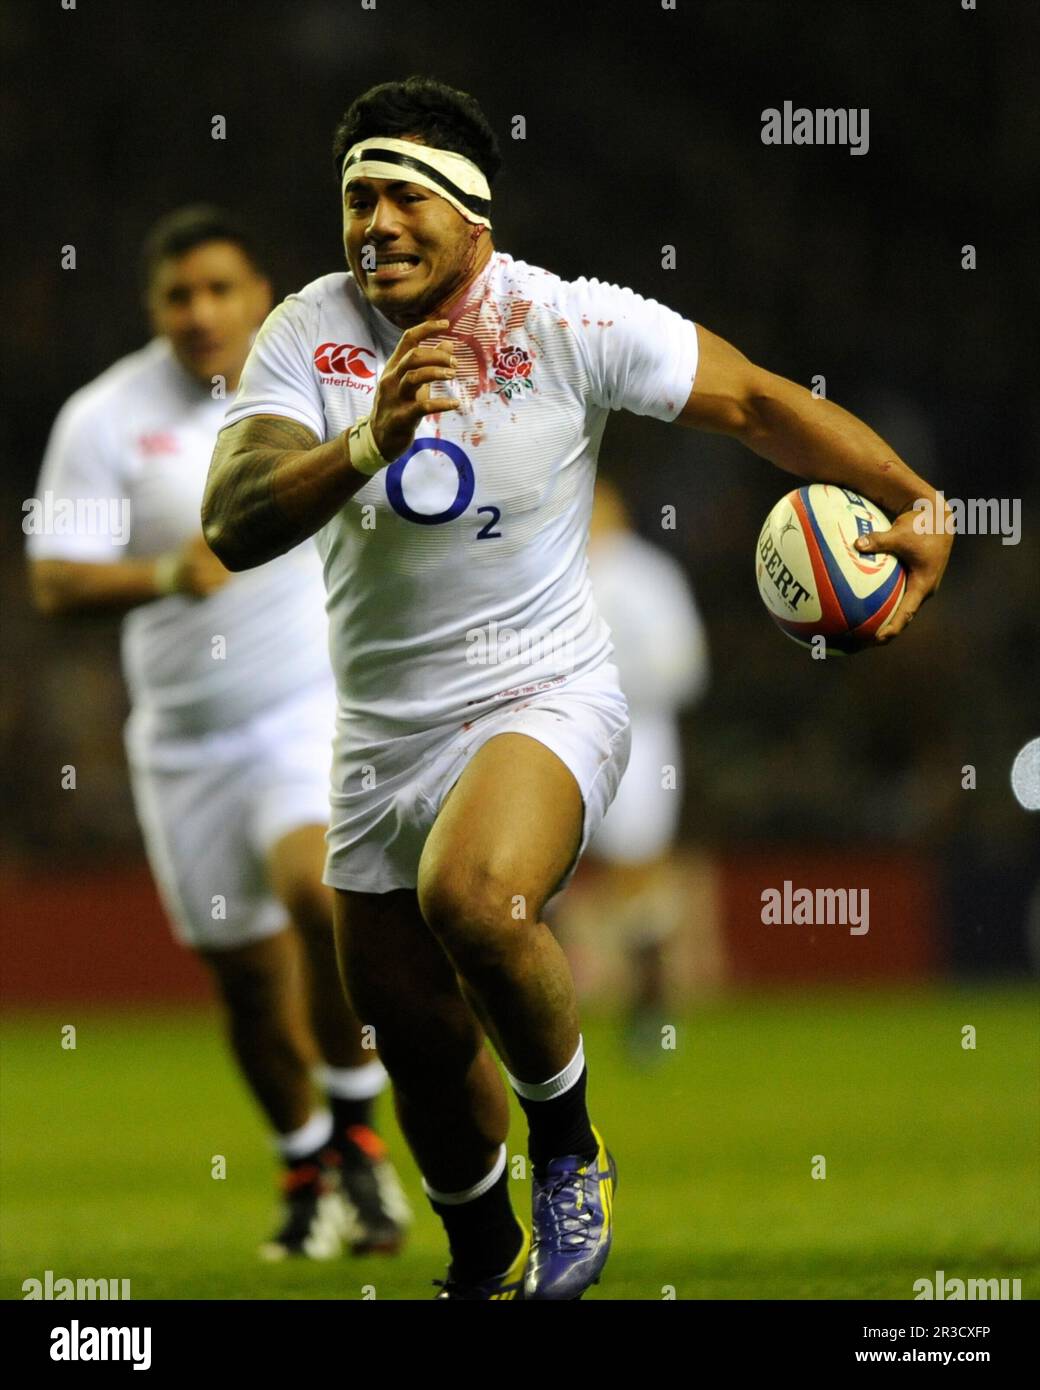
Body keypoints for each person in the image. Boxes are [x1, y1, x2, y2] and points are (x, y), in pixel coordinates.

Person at [202, 76, 953, 1300]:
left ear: (472, 216)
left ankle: (568, 1148)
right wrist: (362, 443)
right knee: (418, 1035)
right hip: (377, 743)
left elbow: (758, 400)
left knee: (475, 895)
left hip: (541, 695)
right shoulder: (306, 333)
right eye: (356, 199)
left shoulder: (565, 323)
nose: (374, 224)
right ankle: (484, 1258)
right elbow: (231, 522)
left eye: (403, 195)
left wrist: (914, 499)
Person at [26, 206, 408, 1263]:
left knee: (317, 899)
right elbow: (53, 578)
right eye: (177, 295)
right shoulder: (104, 418)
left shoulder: (306, 386)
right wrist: (163, 572)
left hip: (303, 708)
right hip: (183, 742)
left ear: (258, 293)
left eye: (219, 290)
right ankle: (306, 1168)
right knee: (243, 979)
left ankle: (361, 1137)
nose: (200, 312)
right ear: (153, 308)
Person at [583, 479, 709, 1054]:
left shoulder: (646, 575)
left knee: (637, 871)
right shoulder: (550, 566)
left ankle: (650, 1007)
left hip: (640, 734)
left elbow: (685, 665)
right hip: (561, 731)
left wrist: (613, 683)